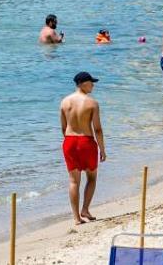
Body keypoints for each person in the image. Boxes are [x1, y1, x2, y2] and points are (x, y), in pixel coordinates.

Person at [60, 71, 107, 225]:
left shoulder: (64, 102)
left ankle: (76, 217)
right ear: (82, 84)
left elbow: (63, 128)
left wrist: (69, 143)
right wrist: (102, 149)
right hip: (86, 142)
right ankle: (85, 209)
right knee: (92, 178)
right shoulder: (92, 103)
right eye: (90, 82)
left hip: (69, 141)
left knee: (74, 181)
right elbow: (98, 129)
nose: (93, 85)